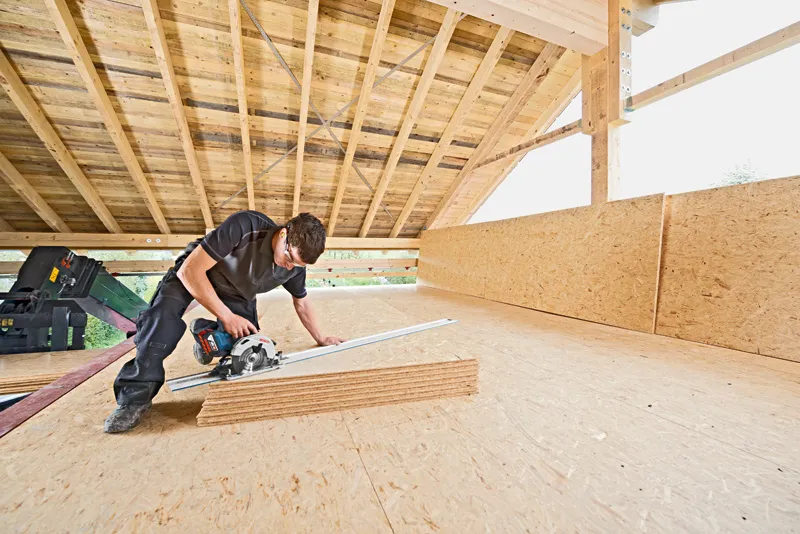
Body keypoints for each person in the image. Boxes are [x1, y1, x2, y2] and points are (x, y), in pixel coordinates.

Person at [104, 211, 345, 433]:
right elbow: (191, 272)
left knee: (248, 349)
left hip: (236, 293)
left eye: (298, 264)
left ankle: (205, 334)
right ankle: (133, 399)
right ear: (284, 234)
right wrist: (226, 316)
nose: (289, 266)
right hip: (195, 274)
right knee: (160, 327)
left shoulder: (293, 267)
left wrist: (321, 338)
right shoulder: (246, 226)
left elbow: (301, 302)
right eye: (289, 257)